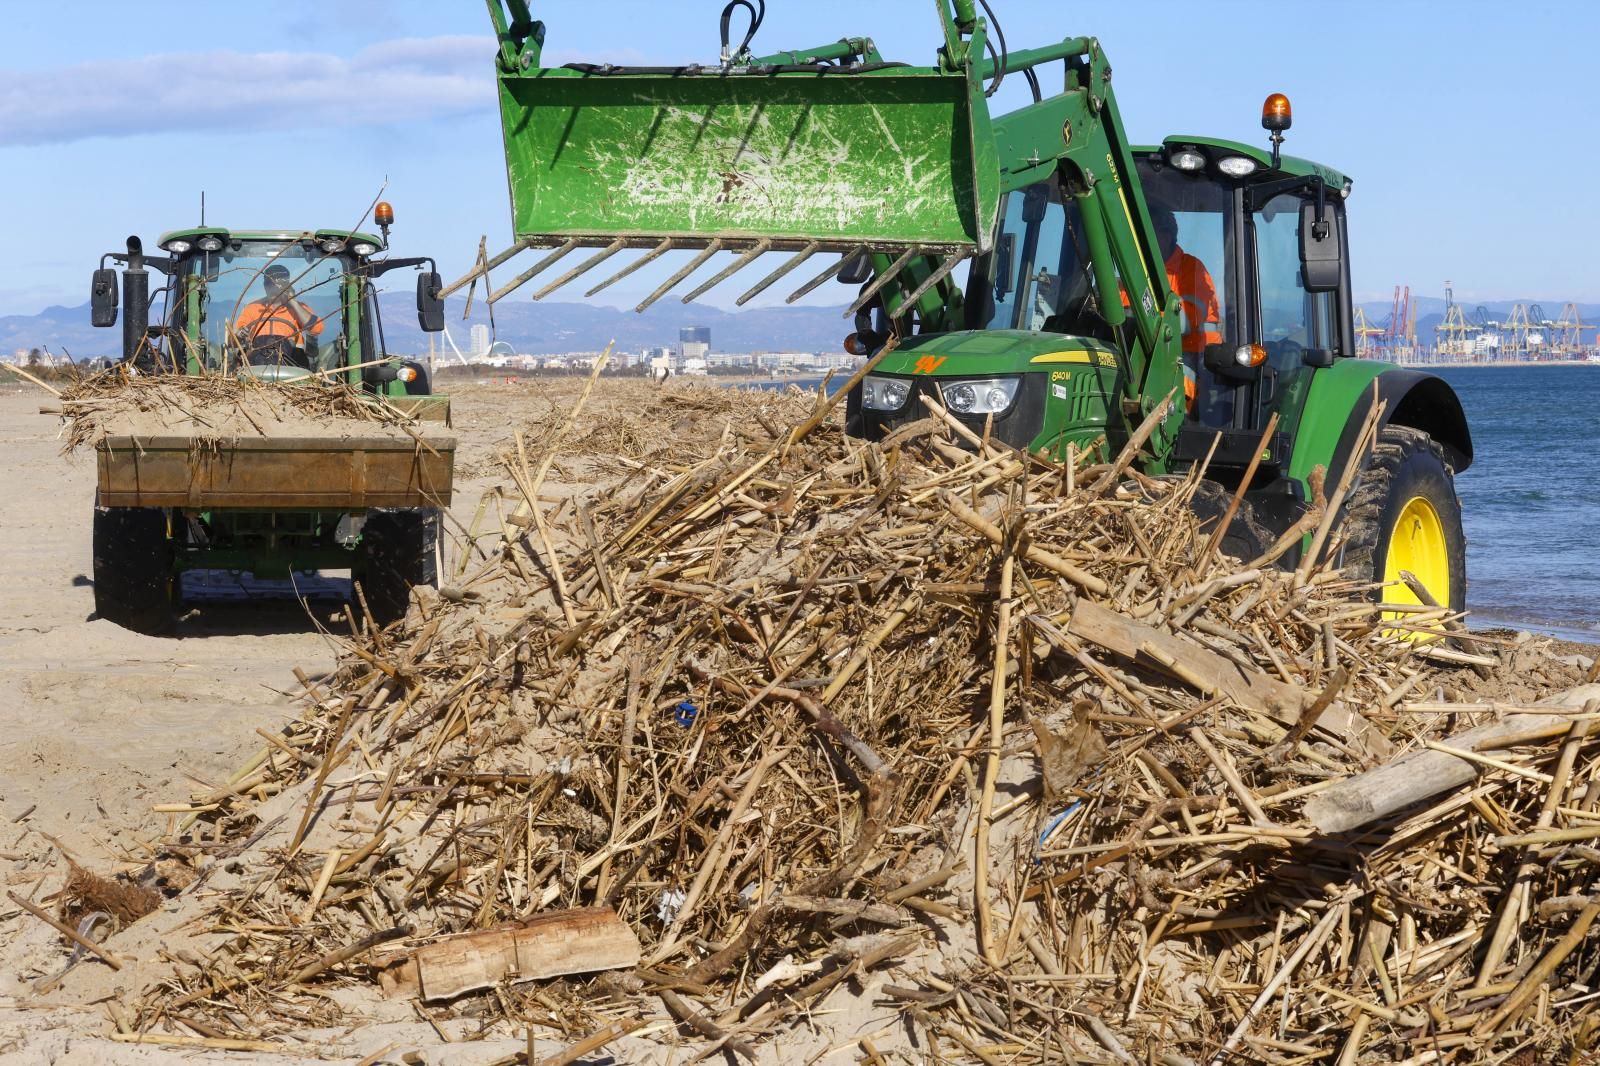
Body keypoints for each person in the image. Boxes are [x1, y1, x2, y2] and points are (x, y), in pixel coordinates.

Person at [233, 264, 324, 367]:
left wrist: (292, 301)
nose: (272, 289)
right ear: (264, 286)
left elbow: (316, 329)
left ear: (287, 285)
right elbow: (234, 339)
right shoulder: (252, 308)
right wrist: (239, 334)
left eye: (277, 285)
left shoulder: (299, 308)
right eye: (268, 284)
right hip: (256, 368)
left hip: (293, 368)